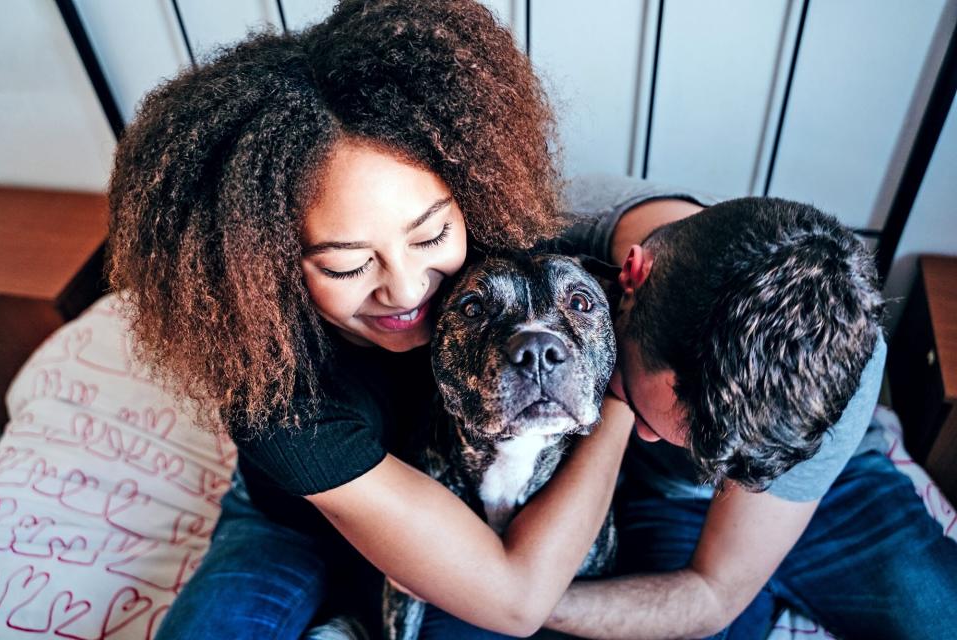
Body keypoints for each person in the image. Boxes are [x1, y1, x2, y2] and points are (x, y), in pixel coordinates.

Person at [107, 2, 634, 638]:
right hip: (293, 522)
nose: (409, 289)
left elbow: (639, 225)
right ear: (265, 264)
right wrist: (621, 400)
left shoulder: (504, 253)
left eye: (431, 233)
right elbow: (515, 601)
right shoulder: (277, 400)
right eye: (349, 265)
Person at [537, 176, 957, 639]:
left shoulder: (845, 346)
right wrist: (519, 596)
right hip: (670, 498)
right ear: (634, 275)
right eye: (635, 406)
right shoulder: (549, 224)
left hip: (834, 487)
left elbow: (718, 594)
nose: (647, 434)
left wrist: (526, 601)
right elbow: (708, 592)